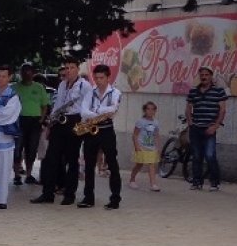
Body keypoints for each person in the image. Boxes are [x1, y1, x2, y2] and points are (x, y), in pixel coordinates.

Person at [31, 58, 92, 205]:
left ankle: (69, 194)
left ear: (78, 69)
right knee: (51, 158)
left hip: (75, 121)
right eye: (66, 67)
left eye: (72, 67)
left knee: (72, 160)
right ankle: (48, 193)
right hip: (59, 121)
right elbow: (58, 104)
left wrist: (83, 127)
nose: (68, 70)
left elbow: (88, 107)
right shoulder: (62, 85)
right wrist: (50, 125)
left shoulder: (85, 86)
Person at [77, 64, 123, 209]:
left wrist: (94, 110)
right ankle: (88, 197)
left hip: (107, 130)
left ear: (108, 77)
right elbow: (83, 112)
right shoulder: (90, 93)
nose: (98, 81)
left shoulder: (115, 93)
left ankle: (115, 199)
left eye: (101, 78)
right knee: (89, 165)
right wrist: (99, 112)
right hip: (91, 130)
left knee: (112, 164)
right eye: (96, 78)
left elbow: (112, 110)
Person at [185, 67, 228, 191]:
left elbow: (222, 110)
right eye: (202, 75)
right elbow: (188, 108)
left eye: (206, 75)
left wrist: (215, 126)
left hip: (210, 129)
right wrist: (191, 123)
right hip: (196, 128)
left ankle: (214, 182)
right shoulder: (193, 91)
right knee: (197, 156)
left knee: (210, 155)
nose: (204, 77)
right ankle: (197, 181)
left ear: (211, 76)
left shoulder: (219, 91)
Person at [0, 66, 22, 209]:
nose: (0, 79)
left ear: (9, 78)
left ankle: (2, 199)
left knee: (3, 169)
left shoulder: (13, 96)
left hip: (4, 137)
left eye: (3, 76)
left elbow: (7, 116)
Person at [12, 62, 50, 184]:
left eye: (29, 72)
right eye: (23, 72)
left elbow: (45, 105)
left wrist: (41, 119)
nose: (26, 75)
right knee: (17, 149)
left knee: (32, 149)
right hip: (20, 121)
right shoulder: (14, 88)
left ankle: (29, 174)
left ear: (33, 74)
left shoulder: (39, 87)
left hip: (34, 121)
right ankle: (17, 175)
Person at [129, 102, 161, 191]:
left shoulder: (156, 123)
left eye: (152, 109)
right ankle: (132, 179)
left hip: (151, 147)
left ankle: (153, 184)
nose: (150, 111)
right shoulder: (141, 122)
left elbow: (157, 135)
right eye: (148, 109)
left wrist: (158, 147)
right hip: (142, 146)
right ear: (144, 110)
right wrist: (136, 146)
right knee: (139, 164)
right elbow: (135, 134)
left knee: (151, 165)